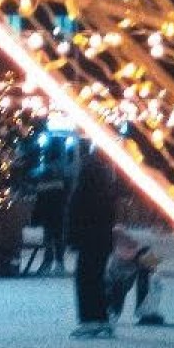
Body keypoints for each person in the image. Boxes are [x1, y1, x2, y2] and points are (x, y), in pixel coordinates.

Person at [66, 143, 119, 338]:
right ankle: (102, 318)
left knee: (85, 278)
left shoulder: (87, 177)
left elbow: (76, 211)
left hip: (88, 238)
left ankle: (89, 320)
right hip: (102, 239)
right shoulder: (106, 183)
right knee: (97, 278)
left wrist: (72, 238)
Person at [105, 227, 168, 326]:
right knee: (116, 286)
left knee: (154, 277)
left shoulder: (138, 247)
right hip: (117, 269)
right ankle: (109, 312)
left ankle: (147, 311)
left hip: (130, 260)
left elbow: (154, 265)